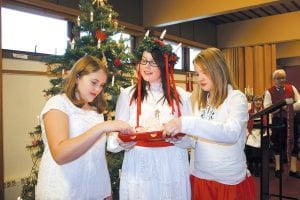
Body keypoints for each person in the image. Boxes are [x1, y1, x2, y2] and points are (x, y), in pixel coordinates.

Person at [163, 47, 256, 200]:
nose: (200, 78)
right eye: (197, 73)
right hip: (200, 177)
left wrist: (187, 123)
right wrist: (178, 139)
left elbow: (230, 133)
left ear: (218, 70)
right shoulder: (200, 102)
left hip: (227, 180)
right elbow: (195, 141)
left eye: (205, 72)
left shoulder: (236, 98)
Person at [35, 56, 134, 199]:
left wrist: (106, 192)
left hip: (93, 191)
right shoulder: (58, 104)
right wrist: (103, 127)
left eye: (101, 85)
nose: (98, 89)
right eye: (94, 82)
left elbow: (96, 157)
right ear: (77, 77)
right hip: (62, 191)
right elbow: (60, 154)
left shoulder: (95, 111)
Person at [107, 35, 193, 200]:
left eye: (153, 62)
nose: (147, 66)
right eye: (143, 61)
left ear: (165, 65)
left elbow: (192, 138)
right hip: (139, 164)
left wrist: (179, 140)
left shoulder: (181, 96)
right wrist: (122, 142)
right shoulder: (128, 95)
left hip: (171, 163)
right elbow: (113, 138)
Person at [264, 69, 300, 178]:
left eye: (283, 78)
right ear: (274, 80)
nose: (281, 80)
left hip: (292, 119)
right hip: (278, 121)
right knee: (278, 144)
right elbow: (267, 108)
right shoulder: (269, 92)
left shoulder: (292, 88)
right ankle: (278, 168)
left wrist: (287, 107)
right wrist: (283, 107)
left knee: (293, 143)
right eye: (278, 78)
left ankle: (293, 170)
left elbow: (299, 102)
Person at [245, 95, 267, 177]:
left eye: (260, 101)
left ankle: (257, 166)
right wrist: (248, 134)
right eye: (256, 101)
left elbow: (267, 125)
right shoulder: (249, 112)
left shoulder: (265, 112)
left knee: (259, 145)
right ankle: (250, 164)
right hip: (251, 133)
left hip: (262, 133)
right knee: (250, 145)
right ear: (253, 102)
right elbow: (245, 125)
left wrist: (265, 134)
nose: (258, 102)